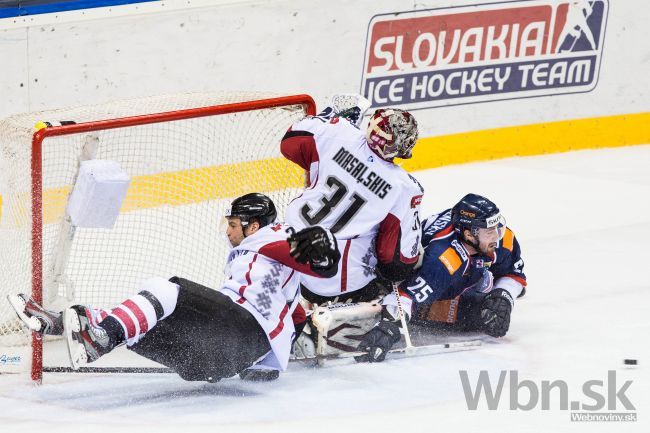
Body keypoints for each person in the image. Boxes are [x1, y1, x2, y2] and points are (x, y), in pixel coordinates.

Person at [7, 193, 340, 382]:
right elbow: (294, 314)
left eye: (233, 224)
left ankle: (100, 338)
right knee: (139, 327)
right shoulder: (267, 264)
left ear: (254, 225)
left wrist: (325, 259)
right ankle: (64, 323)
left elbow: (314, 264)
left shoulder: (270, 239)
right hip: (219, 360)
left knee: (165, 289)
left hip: (239, 332)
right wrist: (262, 364)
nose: (228, 231)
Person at [280, 94, 424, 305]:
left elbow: (289, 144)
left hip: (284, 251)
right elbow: (394, 260)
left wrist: (329, 119)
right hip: (327, 283)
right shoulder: (405, 188)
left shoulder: (338, 131)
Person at [357, 193, 526, 362]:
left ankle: (480, 280)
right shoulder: (444, 260)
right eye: (489, 232)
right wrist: (388, 326)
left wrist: (505, 294)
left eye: (497, 228)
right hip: (414, 279)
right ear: (469, 235)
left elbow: (515, 274)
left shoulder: (501, 240)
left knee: (496, 309)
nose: (497, 236)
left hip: (453, 273)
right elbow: (405, 297)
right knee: (474, 315)